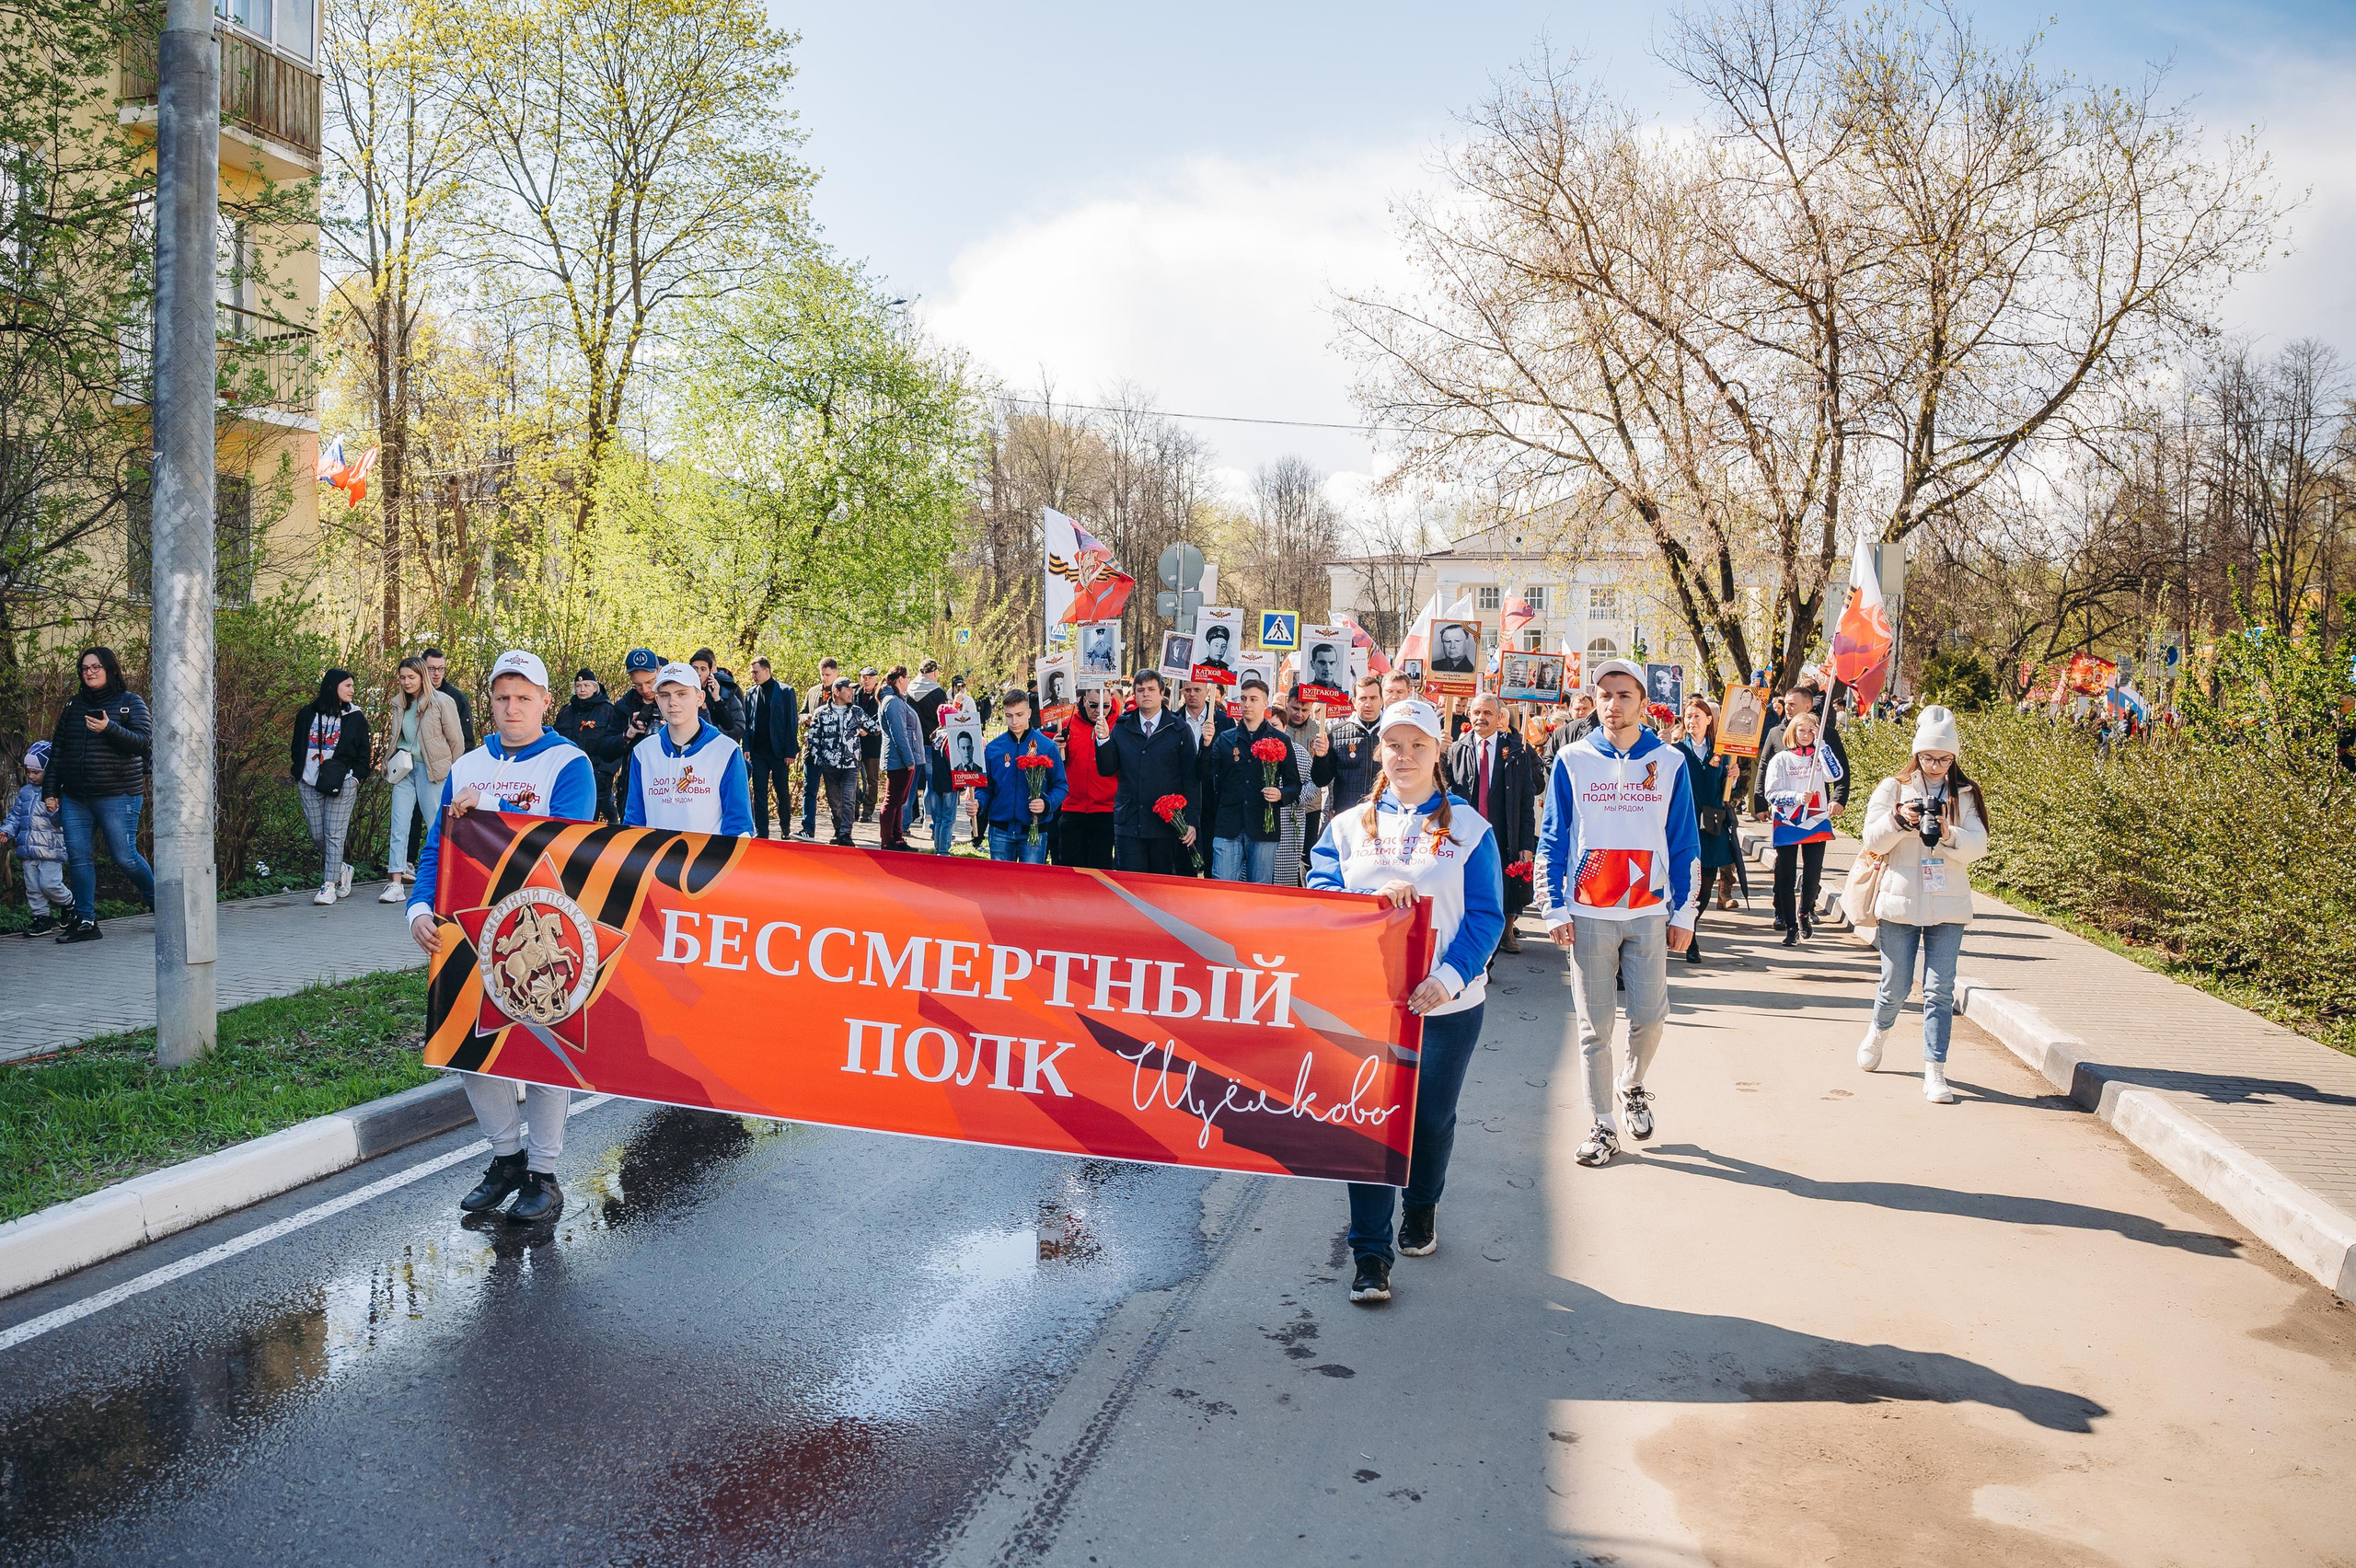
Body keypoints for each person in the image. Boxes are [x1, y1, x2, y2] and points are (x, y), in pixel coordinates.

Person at [1308, 698, 1504, 1305]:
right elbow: (1319, 899)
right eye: (1395, 744)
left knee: (1429, 1121)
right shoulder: (1344, 827)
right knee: (1367, 1128)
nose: (1406, 756)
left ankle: (1421, 1207)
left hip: (1445, 1007)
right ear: (1378, 751)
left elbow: (1486, 916)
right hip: (1366, 1007)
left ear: (1438, 751)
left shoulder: (1470, 828)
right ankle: (1370, 1255)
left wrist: (1447, 978)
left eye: (1418, 744)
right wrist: (1368, 905)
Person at [406, 650, 597, 1224]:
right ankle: (506, 1160)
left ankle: (544, 1173)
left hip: (539, 933)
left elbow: (565, 851)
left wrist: (484, 820)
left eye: (524, 697)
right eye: (501, 697)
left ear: (544, 701)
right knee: (472, 1052)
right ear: (488, 702)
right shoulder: (465, 766)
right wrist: (418, 906)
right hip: (467, 930)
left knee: (541, 1055)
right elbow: (437, 847)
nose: (512, 708)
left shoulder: (569, 764)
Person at [1538, 659, 1700, 1169]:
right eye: (1604, 695)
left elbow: (1684, 843)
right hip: (1588, 913)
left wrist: (1685, 914)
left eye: (1624, 694)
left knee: (1650, 1018)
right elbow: (1553, 836)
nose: (1613, 704)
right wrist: (1552, 905)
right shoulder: (1571, 758)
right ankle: (1601, 1124)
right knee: (1593, 1027)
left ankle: (1632, 1084)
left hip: (1649, 912)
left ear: (1641, 701)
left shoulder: (1670, 761)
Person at [1858, 707, 1990, 1103]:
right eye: (1929, 757)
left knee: (1939, 989)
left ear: (1954, 757)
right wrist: (1899, 820)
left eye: (1945, 758)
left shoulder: (1965, 793)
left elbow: (1979, 847)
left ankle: (1935, 1070)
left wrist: (1950, 833)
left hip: (1948, 903)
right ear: (1916, 754)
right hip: (1899, 900)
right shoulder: (1892, 788)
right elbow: (1871, 840)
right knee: (1896, 986)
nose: (1936, 765)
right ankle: (1878, 1031)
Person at [1446, 693, 1537, 952]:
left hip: (1503, 833)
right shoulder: (1457, 750)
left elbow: (1525, 801)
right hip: (1467, 837)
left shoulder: (1517, 751)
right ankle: (1475, 948)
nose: (1481, 718)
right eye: (1476, 713)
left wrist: (1526, 845)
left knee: (1502, 892)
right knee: (1468, 892)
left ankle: (1499, 940)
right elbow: (1445, 792)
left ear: (1499, 718)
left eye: (1487, 713)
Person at [625, 662, 753, 835]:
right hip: (656, 860)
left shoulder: (726, 751)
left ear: (699, 698)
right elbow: (634, 821)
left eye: (682, 694)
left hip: (708, 860)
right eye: (664, 695)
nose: (673, 702)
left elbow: (739, 826)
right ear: (657, 700)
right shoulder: (643, 752)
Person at [1095, 669, 1203, 874]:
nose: (1146, 694)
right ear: (1134, 694)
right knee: (1130, 886)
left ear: (1162, 693)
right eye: (1141, 689)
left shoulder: (1178, 729)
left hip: (1167, 825)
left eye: (1152, 689)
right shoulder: (1122, 726)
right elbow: (1107, 769)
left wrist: (1191, 821)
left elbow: (1191, 779)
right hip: (1130, 823)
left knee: (1161, 888)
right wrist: (1103, 740)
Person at [380, 656, 467, 903]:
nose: (406, 682)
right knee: (399, 825)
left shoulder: (442, 702)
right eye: (402, 677)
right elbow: (397, 737)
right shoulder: (399, 703)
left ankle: (447, 878)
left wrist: (453, 773)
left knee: (436, 825)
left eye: (411, 677)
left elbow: (456, 742)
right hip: (405, 770)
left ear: (422, 677)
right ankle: (395, 883)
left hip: (433, 771)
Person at [1201, 677, 1299, 884]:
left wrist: (1281, 794)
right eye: (1243, 698)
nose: (1247, 704)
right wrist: (1207, 745)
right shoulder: (1225, 738)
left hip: (1263, 828)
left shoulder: (1281, 740)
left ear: (1265, 704)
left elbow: (1295, 785)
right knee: (1223, 888)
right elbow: (1204, 773)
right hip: (1229, 826)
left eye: (1253, 699)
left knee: (1259, 892)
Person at [287, 668, 372, 906]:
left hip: (342, 782)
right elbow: (296, 746)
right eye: (347, 685)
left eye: (352, 686)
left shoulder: (355, 716)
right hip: (309, 781)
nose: (352, 690)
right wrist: (298, 772)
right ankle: (341, 867)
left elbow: (364, 753)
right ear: (332, 686)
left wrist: (355, 778)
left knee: (334, 835)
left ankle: (329, 885)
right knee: (318, 834)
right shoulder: (307, 714)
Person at [1763, 709, 1842, 946]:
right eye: (1802, 730)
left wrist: (1822, 745)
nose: (1806, 735)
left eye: (1811, 731)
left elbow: (1835, 774)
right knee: (1785, 877)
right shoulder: (1782, 759)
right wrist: (1797, 797)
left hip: (1816, 821)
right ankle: (1790, 927)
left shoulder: (1819, 756)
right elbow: (1772, 793)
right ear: (1793, 731)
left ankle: (1805, 912)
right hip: (1788, 821)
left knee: (1812, 874)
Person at [1673, 694, 1741, 962]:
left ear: (1709, 720)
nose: (1692, 721)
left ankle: (1691, 926)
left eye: (1697, 717)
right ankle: (1691, 939)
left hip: (1712, 825)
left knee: (1705, 885)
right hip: (1685, 822)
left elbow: (1726, 789)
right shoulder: (1677, 750)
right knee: (1686, 880)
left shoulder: (1721, 752)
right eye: (1688, 716)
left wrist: (1733, 778)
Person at [978, 689, 1066, 863]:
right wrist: (978, 803)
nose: (1014, 721)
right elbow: (985, 787)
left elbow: (1061, 785)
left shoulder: (1047, 747)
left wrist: (1047, 803)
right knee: (1001, 887)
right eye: (1009, 716)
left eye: (1019, 714)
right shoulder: (993, 748)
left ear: (1029, 713)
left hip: (1034, 830)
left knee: (1031, 888)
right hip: (1000, 830)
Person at [2, 743, 71, 937]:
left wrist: (54, 809)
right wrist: (7, 831)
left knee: (50, 884)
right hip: (28, 849)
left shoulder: (58, 791)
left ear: (49, 771)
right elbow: (16, 816)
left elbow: (61, 820)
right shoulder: (25, 792)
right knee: (32, 887)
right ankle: (41, 918)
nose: (31, 776)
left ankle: (69, 904)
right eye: (29, 771)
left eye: (36, 772)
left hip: (51, 848)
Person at [806, 675, 880, 846]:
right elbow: (814, 738)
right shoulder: (821, 713)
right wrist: (819, 760)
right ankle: (838, 830)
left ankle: (846, 833)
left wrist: (874, 722)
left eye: (853, 689)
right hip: (829, 765)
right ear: (836, 692)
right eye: (848, 689)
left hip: (851, 764)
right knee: (834, 801)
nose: (852, 692)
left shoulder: (856, 712)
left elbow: (875, 728)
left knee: (848, 799)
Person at [1053, 689, 1119, 869]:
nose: (1099, 711)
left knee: (1101, 868)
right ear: (1083, 701)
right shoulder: (1067, 725)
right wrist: (1057, 748)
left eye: (1105, 706)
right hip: (1073, 808)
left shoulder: (1119, 726)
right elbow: (1056, 765)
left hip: (1105, 809)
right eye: (1093, 705)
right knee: (1071, 867)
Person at [552, 668, 623, 824]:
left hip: (598, 777)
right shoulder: (565, 713)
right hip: (568, 776)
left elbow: (616, 745)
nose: (582, 690)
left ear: (595, 687)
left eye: (586, 686)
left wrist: (605, 773)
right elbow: (555, 745)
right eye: (578, 686)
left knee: (602, 818)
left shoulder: (607, 711)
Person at [740, 655, 799, 839]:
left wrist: (791, 751)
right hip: (758, 751)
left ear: (767, 671)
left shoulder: (786, 691)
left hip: (779, 752)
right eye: (752, 673)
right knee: (759, 792)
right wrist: (746, 746)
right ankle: (762, 832)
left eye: (756, 672)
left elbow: (791, 723)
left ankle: (785, 829)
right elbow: (748, 723)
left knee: (782, 791)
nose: (753, 676)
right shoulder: (750, 693)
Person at [1314, 674, 1385, 814]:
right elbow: (1320, 780)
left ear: (1382, 701)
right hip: (1348, 814)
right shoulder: (1337, 732)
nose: (1368, 704)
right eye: (1363, 698)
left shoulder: (1391, 732)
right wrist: (1321, 758)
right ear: (1354, 702)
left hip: (1383, 811)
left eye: (1373, 698)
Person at [878, 665, 925, 850]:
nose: (909, 681)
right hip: (899, 760)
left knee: (899, 801)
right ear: (899, 679)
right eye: (907, 677)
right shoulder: (893, 702)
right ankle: (887, 840)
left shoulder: (897, 700)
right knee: (892, 800)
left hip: (903, 759)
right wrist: (909, 760)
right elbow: (900, 734)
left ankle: (897, 839)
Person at [798, 656, 841, 837]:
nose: (824, 678)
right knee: (809, 789)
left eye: (828, 675)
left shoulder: (844, 693)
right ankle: (808, 828)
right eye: (822, 674)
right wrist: (805, 718)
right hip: (812, 750)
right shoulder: (813, 691)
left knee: (834, 792)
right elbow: (801, 713)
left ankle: (840, 829)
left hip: (833, 751)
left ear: (836, 673)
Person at [422, 646, 475, 751]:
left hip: (447, 759)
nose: (437, 673)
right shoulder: (414, 695)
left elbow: (467, 739)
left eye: (441, 668)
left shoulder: (457, 698)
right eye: (431, 668)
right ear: (422, 669)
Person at [688, 647, 745, 741]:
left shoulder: (725, 691)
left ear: (710, 672)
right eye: (695, 669)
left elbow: (730, 725)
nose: (698, 673)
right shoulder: (684, 692)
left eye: (703, 669)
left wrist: (717, 698)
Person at [854, 667, 884, 820]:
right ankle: (854, 809)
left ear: (876, 679)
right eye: (864, 677)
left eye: (870, 677)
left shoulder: (881, 694)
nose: (866, 680)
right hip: (855, 743)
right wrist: (858, 728)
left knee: (871, 780)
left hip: (873, 743)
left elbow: (882, 717)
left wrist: (870, 730)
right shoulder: (855, 693)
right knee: (853, 778)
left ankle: (868, 811)